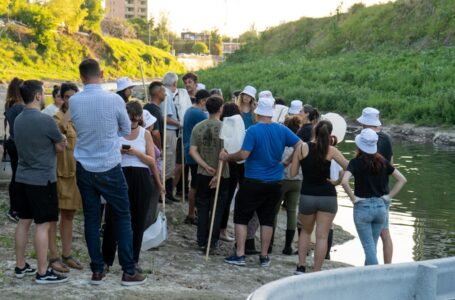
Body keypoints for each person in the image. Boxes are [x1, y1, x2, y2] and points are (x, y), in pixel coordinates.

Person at [69, 58, 145, 286]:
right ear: (102, 73)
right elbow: (124, 128)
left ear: (81, 76)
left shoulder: (73, 100)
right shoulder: (114, 100)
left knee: (92, 218)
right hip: (110, 165)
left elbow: (76, 126)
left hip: (84, 166)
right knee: (123, 215)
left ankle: (97, 269)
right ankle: (128, 270)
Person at [221, 91, 302, 267]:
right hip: (275, 182)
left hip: (253, 180)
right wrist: (287, 161)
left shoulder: (253, 130)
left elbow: (244, 154)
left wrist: (227, 157)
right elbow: (299, 144)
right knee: (267, 219)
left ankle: (240, 254)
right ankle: (264, 256)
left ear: (257, 113)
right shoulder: (282, 129)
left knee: (241, 217)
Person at [14, 80, 68, 284]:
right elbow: (60, 146)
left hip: (22, 177)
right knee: (43, 225)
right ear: (37, 96)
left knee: (23, 222)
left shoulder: (18, 119)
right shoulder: (46, 121)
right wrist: (61, 140)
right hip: (42, 179)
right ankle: (43, 272)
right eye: (43, 93)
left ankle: (20, 266)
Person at [102, 101, 158, 273]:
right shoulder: (115, 133)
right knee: (112, 218)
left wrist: (137, 153)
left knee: (138, 220)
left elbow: (152, 161)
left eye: (135, 119)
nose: (132, 122)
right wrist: (118, 151)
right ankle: (106, 260)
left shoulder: (145, 134)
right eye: (129, 119)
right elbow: (106, 153)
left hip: (141, 177)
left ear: (140, 117)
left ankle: (133, 260)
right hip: (120, 174)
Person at [290, 120, 348, 274]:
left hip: (308, 195)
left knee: (306, 232)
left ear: (314, 131)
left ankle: (301, 266)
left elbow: (293, 173)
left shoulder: (302, 147)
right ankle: (316, 271)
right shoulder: (332, 150)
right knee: (322, 237)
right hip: (328, 196)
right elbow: (349, 167)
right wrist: (337, 181)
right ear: (329, 134)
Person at [341, 128, 407, 265]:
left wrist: (353, 198)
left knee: (369, 249)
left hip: (363, 208)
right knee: (372, 247)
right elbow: (402, 180)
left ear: (359, 145)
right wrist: (388, 197)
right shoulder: (383, 161)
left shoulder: (355, 162)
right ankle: (369, 278)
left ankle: (376, 279)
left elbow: (344, 181)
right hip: (380, 208)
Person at [48, 82, 83, 273]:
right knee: (53, 216)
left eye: (74, 96)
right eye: (68, 97)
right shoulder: (56, 117)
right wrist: (72, 110)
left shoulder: (81, 117)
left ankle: (67, 254)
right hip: (59, 173)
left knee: (69, 215)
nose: (72, 100)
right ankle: (53, 256)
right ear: (62, 98)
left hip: (76, 173)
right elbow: (59, 131)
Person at [190, 96, 229, 250]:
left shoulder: (198, 127)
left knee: (203, 207)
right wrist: (217, 174)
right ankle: (212, 241)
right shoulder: (225, 128)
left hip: (202, 173)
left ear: (206, 108)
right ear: (221, 109)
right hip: (222, 174)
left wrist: (205, 166)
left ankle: (201, 239)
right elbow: (225, 153)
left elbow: (192, 151)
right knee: (217, 209)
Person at [356, 107, 394, 264]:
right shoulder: (387, 139)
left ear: (364, 123)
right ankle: (388, 268)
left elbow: (358, 163)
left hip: (366, 196)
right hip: (384, 192)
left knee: (370, 241)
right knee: (385, 234)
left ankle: (372, 269)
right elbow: (392, 164)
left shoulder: (363, 139)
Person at [273, 116, 303, 255]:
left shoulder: (281, 143)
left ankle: (269, 244)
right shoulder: (301, 145)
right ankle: (287, 247)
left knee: (274, 211)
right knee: (292, 212)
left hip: (281, 179)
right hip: (297, 180)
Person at [182, 89, 210, 224]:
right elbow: (210, 126)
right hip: (195, 152)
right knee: (196, 185)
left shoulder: (189, 110)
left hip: (189, 149)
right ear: (203, 101)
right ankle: (192, 214)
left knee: (194, 183)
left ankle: (191, 213)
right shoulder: (199, 114)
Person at [219, 102, 243, 242]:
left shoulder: (224, 126)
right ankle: (222, 230)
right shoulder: (235, 129)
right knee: (226, 199)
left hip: (224, 165)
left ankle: (218, 229)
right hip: (231, 167)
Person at [4, 77, 24, 222]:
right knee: (19, 177)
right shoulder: (19, 106)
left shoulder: (9, 104)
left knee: (15, 176)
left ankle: (14, 208)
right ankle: (15, 209)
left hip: (10, 142)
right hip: (18, 144)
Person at [161, 72, 180, 202]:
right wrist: (180, 123)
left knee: (170, 163)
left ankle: (168, 193)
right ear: (174, 83)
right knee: (168, 163)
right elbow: (165, 117)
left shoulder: (166, 93)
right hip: (169, 132)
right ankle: (164, 194)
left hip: (170, 132)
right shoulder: (167, 94)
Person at [144, 81, 165, 151]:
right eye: (163, 91)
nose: (165, 94)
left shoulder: (146, 106)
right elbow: (155, 133)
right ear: (158, 93)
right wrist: (159, 149)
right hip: (153, 149)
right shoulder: (154, 110)